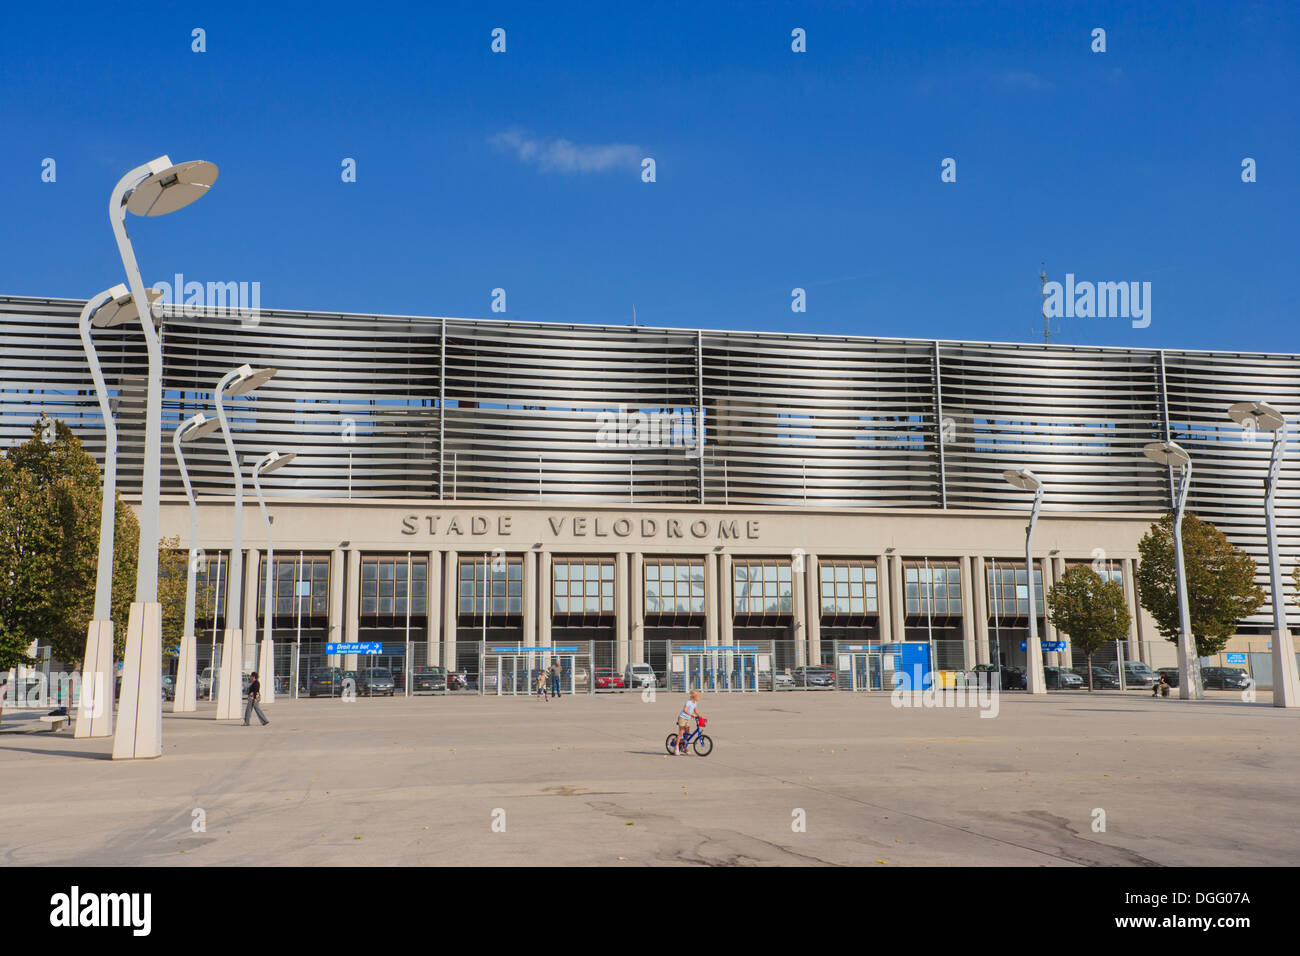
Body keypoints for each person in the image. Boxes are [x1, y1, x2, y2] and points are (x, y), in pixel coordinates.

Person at [674, 689, 703, 755]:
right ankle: (676, 747)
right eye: (698, 696)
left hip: (687, 719)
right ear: (693, 696)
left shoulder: (695, 703)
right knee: (681, 733)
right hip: (682, 718)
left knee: (687, 733)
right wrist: (691, 715)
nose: (698, 698)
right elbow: (685, 710)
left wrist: (700, 716)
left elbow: (695, 710)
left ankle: (684, 747)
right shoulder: (688, 702)